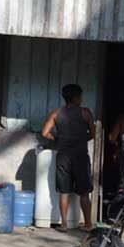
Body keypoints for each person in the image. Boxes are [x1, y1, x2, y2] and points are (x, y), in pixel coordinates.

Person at [41, 84, 95, 232]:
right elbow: (93, 133)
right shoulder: (85, 113)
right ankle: (89, 224)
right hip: (80, 156)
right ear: (77, 97)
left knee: (64, 191)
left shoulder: (56, 113)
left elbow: (45, 133)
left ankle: (64, 224)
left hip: (63, 156)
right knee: (84, 192)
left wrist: (58, 140)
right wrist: (82, 139)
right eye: (81, 96)